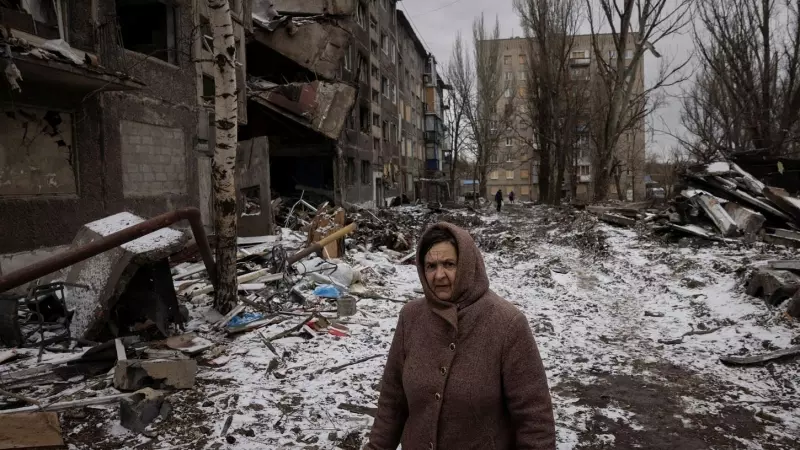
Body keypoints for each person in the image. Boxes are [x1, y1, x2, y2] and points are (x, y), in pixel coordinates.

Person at [365, 223, 556, 450]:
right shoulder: (411, 318)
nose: (439, 275)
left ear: (467, 265)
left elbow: (534, 422)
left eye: (449, 264)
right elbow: (391, 404)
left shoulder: (507, 324)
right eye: (431, 266)